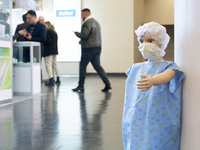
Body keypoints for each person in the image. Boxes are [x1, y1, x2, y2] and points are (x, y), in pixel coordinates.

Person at [122, 22, 185, 150]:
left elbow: (167, 76)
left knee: (158, 142)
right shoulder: (135, 68)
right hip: (136, 116)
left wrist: (153, 80)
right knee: (135, 139)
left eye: (150, 40)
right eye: (142, 41)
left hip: (159, 118)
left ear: (161, 43)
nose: (145, 45)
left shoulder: (169, 66)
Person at [73, 8, 111, 92]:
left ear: (86, 15)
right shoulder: (96, 23)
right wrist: (82, 41)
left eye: (82, 15)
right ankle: (107, 84)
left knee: (82, 66)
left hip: (88, 49)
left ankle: (80, 86)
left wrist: (76, 33)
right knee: (98, 67)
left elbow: (84, 35)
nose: (81, 16)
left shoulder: (87, 23)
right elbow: (92, 36)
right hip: (97, 48)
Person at [24, 10, 47, 82]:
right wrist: (25, 36)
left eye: (29, 18)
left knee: (37, 68)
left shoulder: (42, 26)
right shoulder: (29, 27)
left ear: (34, 16)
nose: (28, 20)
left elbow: (43, 39)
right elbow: (28, 38)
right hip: (28, 51)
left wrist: (32, 38)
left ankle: (38, 84)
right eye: (27, 18)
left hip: (37, 52)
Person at [44, 21, 61, 86]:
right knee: (55, 64)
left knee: (48, 64)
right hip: (54, 50)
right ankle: (58, 78)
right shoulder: (55, 32)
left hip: (49, 51)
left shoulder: (48, 32)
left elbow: (48, 41)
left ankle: (51, 78)